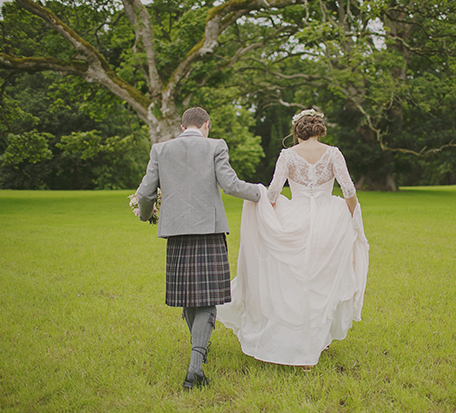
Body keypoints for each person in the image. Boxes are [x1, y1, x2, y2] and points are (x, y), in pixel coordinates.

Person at [217, 108, 369, 368]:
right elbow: (348, 189)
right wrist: (355, 219)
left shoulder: (288, 155)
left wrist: (269, 219)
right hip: (329, 222)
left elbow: (274, 192)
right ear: (319, 128)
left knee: (297, 282)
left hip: (295, 218)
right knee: (321, 281)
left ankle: (302, 342)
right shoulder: (333, 153)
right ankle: (318, 340)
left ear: (297, 131)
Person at [136, 107, 261, 390]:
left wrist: (146, 215)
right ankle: (195, 366)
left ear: (182, 127)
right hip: (209, 230)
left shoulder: (160, 149)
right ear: (207, 125)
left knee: (189, 297)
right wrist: (261, 193)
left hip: (177, 233)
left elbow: (145, 193)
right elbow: (230, 185)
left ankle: (198, 351)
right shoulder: (216, 146)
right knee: (207, 298)